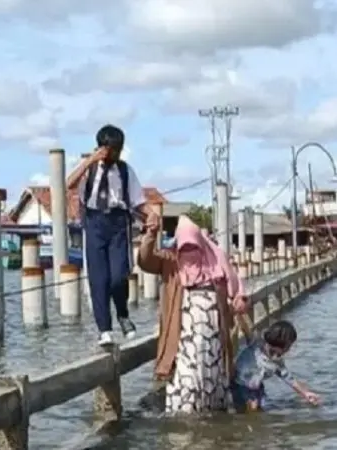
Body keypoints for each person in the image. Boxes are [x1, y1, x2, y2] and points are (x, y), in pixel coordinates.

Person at [138, 214, 248, 414]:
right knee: (186, 384)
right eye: (185, 248)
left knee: (213, 384)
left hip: (213, 340)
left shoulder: (216, 263)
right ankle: (185, 425)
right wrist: (150, 235)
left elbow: (236, 283)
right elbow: (145, 261)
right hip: (184, 341)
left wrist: (240, 298)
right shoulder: (170, 261)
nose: (189, 253)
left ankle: (212, 423)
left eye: (193, 247)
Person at [66, 124, 154, 345]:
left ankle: (123, 315)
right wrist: (90, 160)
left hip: (118, 223)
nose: (113, 154)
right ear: (100, 147)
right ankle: (104, 329)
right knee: (99, 280)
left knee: (118, 276)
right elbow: (69, 184)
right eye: (110, 150)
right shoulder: (88, 168)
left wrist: (151, 214)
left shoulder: (125, 171)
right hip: (94, 222)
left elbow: (138, 202)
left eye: (117, 150)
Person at [232, 320, 321, 412]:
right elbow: (246, 329)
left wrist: (305, 393)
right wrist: (239, 318)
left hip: (257, 386)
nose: (289, 350)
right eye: (288, 346)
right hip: (240, 384)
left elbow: (288, 378)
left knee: (261, 408)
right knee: (251, 408)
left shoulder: (277, 361)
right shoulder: (257, 344)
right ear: (280, 343)